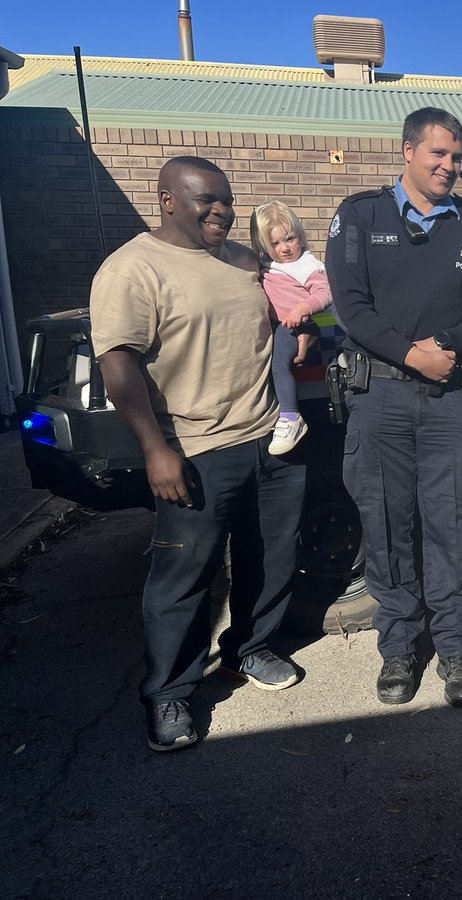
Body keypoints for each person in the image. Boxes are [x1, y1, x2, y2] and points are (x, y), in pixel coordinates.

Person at [90, 156, 308, 751]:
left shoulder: (241, 260)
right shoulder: (132, 269)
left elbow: (281, 312)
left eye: (227, 201)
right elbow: (119, 364)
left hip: (268, 436)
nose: (222, 211)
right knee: (183, 578)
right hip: (196, 448)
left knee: (271, 557)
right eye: (206, 200)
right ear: (165, 201)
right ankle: (169, 692)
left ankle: (250, 649)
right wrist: (156, 449)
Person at [326, 108, 462, 708]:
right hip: (379, 395)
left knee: (449, 521)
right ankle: (399, 648)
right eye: (438, 155)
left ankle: (456, 647)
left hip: (448, 398)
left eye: (456, 157)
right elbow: (351, 307)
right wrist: (411, 355)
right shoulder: (360, 216)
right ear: (407, 151)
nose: (448, 167)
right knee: (386, 524)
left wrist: (449, 348)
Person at [249, 200, 332, 456]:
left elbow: (325, 293)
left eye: (289, 239)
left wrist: (303, 309)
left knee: (279, 365)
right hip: (278, 325)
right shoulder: (268, 264)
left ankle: (290, 417)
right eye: (275, 243)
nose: (284, 248)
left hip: (293, 325)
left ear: (300, 236)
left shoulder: (307, 266)